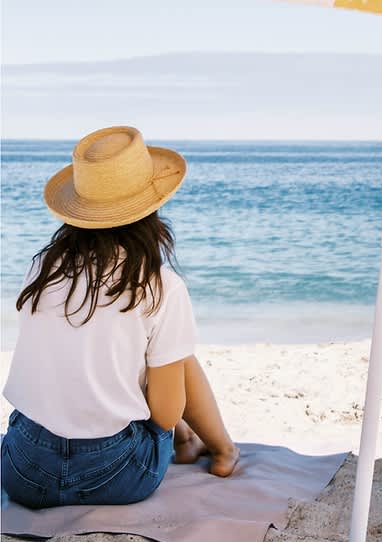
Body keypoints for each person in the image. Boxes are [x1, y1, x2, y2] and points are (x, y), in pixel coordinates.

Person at [1, 126, 239, 509]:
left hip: (24, 471)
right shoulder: (160, 285)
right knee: (173, 357)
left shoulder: (44, 268)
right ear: (150, 210)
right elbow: (164, 413)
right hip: (115, 474)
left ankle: (190, 441)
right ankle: (222, 448)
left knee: (138, 352)